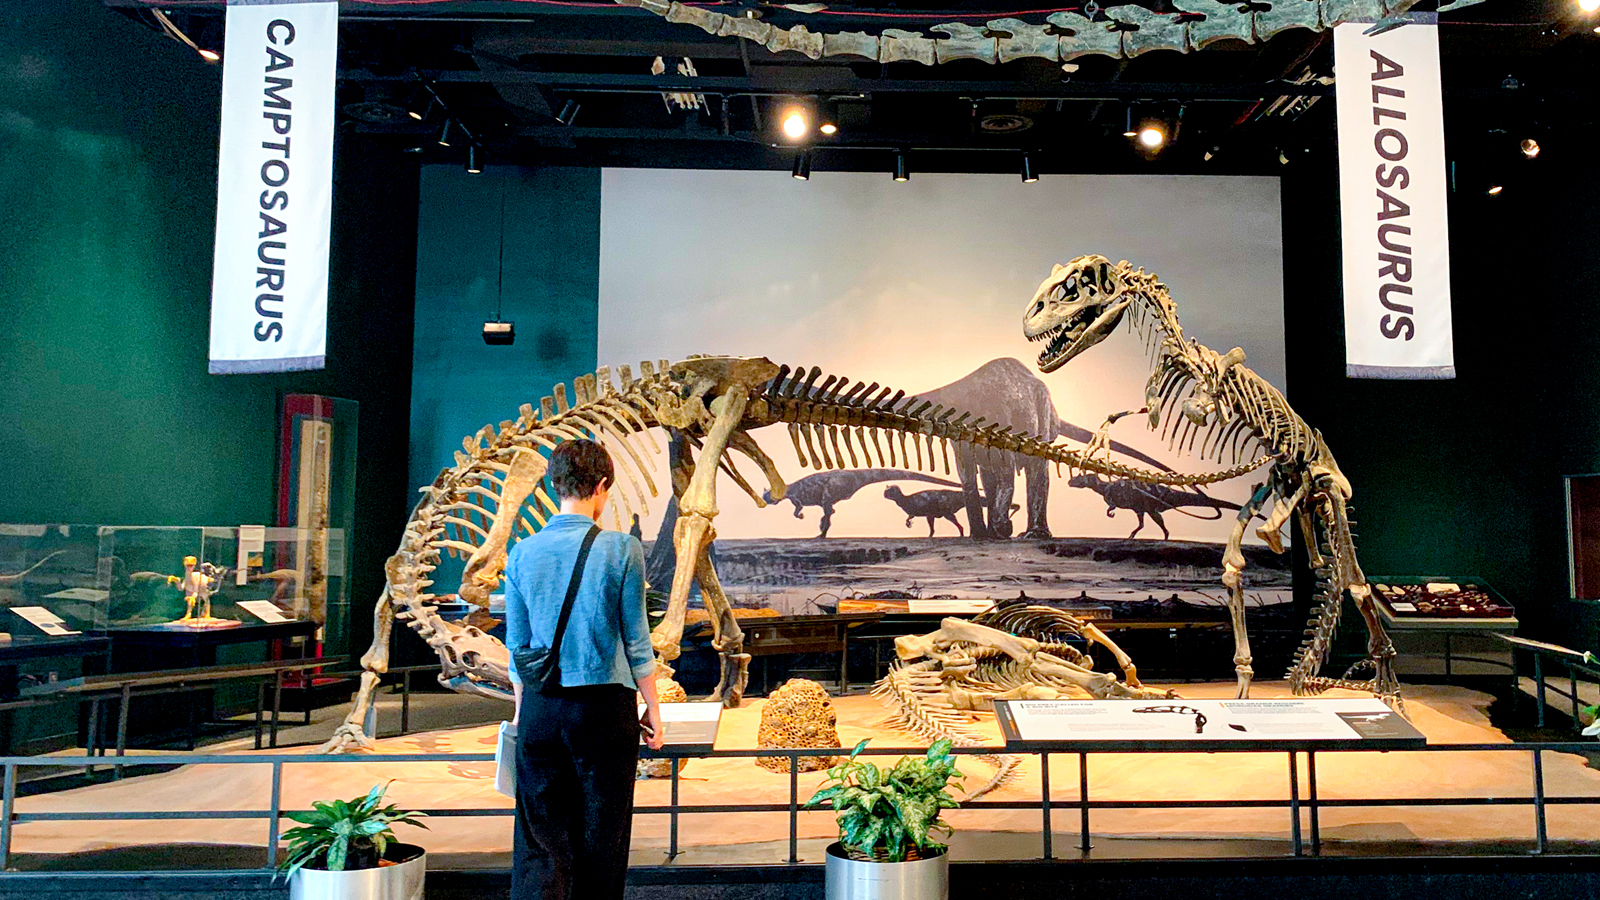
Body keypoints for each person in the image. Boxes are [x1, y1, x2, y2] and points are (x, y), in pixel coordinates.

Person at [504, 440, 665, 899]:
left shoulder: (522, 553)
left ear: (555, 485)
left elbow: (518, 649)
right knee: (603, 838)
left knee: (540, 844)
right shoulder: (621, 549)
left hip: (540, 708)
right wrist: (653, 708)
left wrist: (523, 714)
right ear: (600, 487)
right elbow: (636, 641)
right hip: (602, 711)